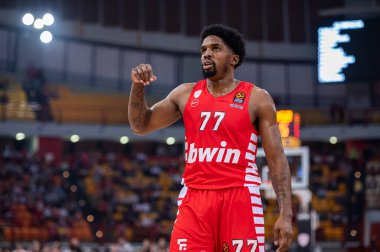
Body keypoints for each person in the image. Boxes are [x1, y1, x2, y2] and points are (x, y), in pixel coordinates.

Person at [128, 24, 293, 252]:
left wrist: (286, 213)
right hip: (194, 198)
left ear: (233, 59)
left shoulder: (257, 98)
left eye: (215, 48)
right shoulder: (185, 94)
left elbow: (276, 159)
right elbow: (140, 125)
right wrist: (137, 86)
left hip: (239, 196)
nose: (206, 53)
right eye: (203, 49)